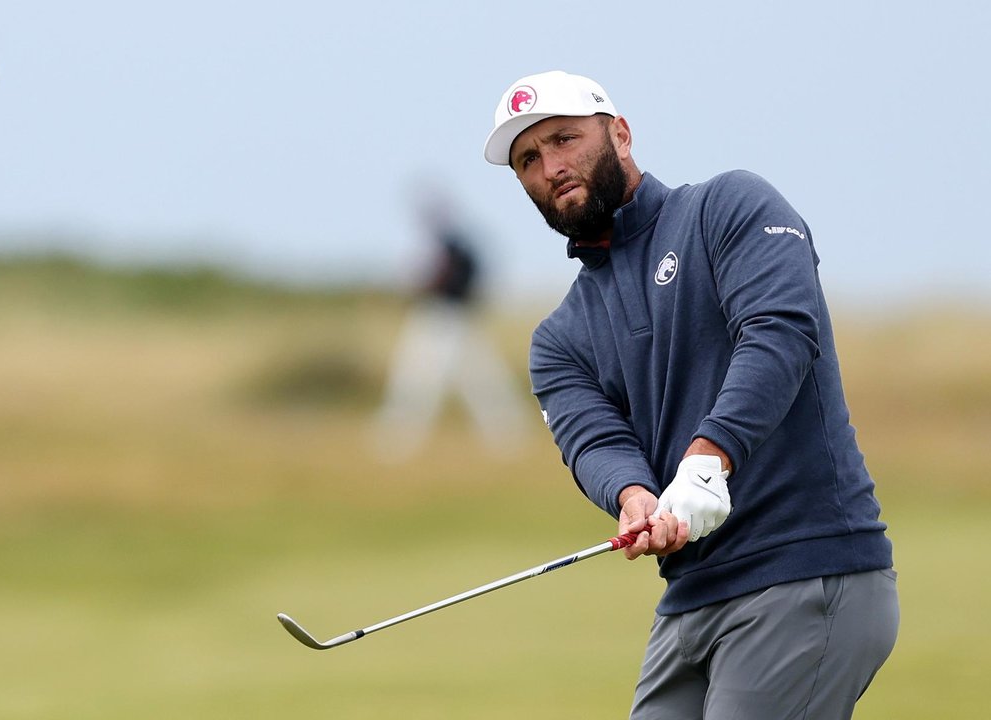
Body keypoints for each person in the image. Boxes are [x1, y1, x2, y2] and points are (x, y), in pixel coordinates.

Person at [483, 70, 898, 719]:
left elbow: (781, 331)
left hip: (806, 570)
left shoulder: (727, 208)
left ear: (619, 134)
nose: (551, 166)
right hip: (690, 598)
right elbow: (595, 441)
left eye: (564, 139)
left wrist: (708, 461)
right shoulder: (559, 339)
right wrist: (635, 498)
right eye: (528, 159)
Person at [371, 184, 527, 461]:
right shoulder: (450, 245)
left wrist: (423, 286)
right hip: (451, 317)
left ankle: (398, 440)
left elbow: (445, 281)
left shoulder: (453, 247)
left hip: (445, 319)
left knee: (423, 381)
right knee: (475, 383)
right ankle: (507, 435)